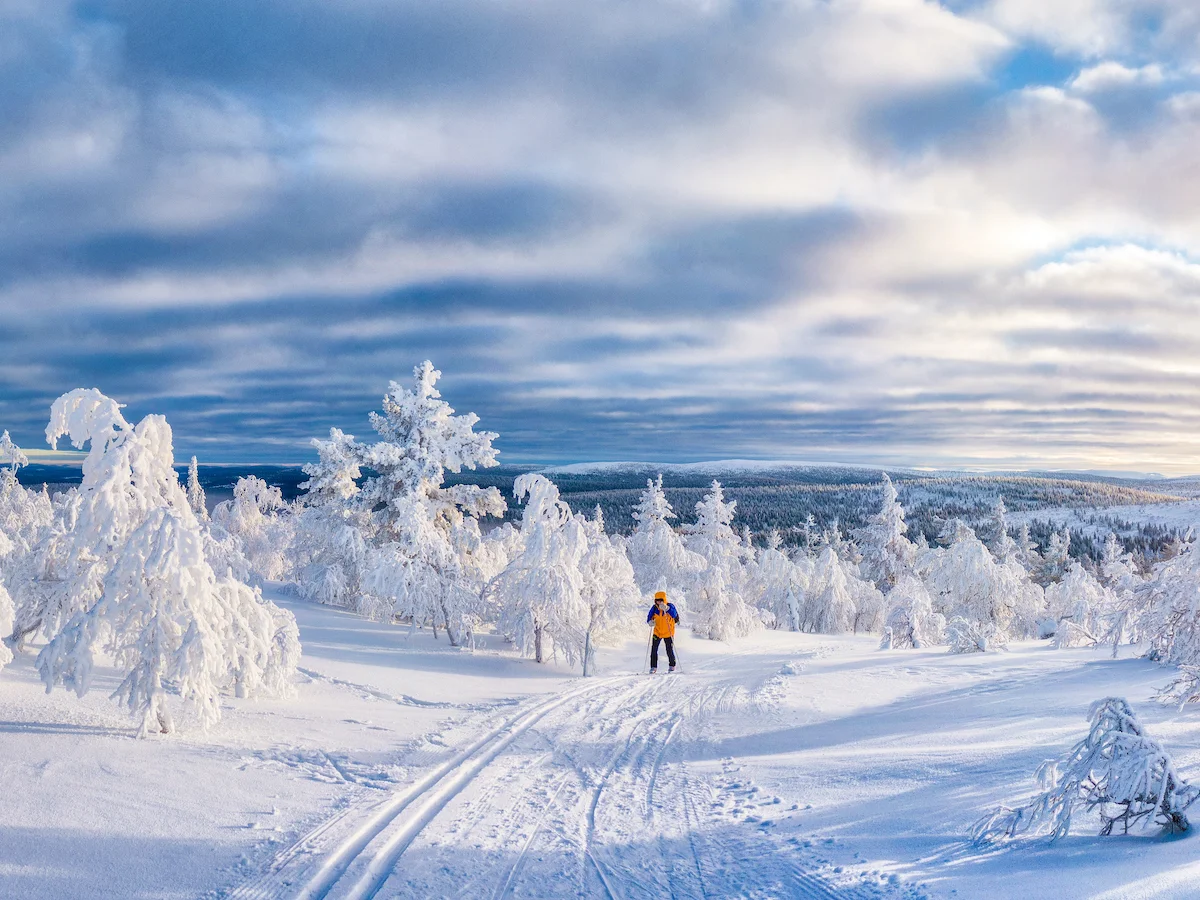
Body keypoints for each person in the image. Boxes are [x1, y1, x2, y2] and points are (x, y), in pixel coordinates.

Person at [646, 591, 679, 673]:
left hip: (669, 632)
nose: (659, 602)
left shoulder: (670, 606)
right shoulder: (654, 608)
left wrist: (667, 609)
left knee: (669, 650)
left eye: (660, 600)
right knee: (654, 649)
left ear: (664, 599)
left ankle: (672, 665)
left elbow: (675, 615)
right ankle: (653, 667)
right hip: (657, 632)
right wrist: (650, 621)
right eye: (657, 600)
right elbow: (649, 616)